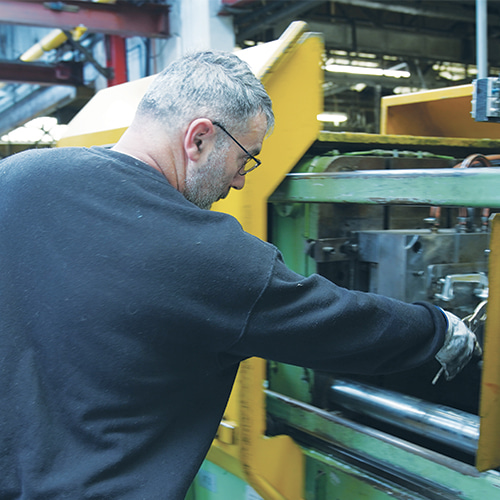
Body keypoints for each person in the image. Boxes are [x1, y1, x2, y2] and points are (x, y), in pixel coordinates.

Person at [0, 50, 481, 499]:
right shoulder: (203, 253)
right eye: (245, 158)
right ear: (200, 137)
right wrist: (438, 329)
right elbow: (338, 323)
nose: (241, 180)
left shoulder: (17, 178)